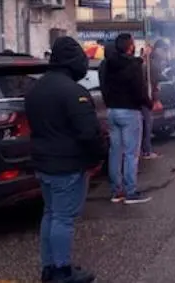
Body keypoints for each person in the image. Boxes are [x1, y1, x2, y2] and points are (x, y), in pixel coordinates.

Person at [25, 36, 104, 283]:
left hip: (44, 162)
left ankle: (50, 267)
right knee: (63, 218)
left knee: (50, 214)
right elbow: (88, 132)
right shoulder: (73, 92)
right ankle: (61, 270)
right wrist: (97, 157)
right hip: (66, 165)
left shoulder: (36, 87)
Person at [99, 33, 154, 204]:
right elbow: (139, 89)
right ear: (130, 46)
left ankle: (117, 191)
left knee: (115, 152)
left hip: (112, 111)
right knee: (131, 153)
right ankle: (131, 192)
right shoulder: (133, 66)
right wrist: (149, 103)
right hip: (130, 112)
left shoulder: (106, 65)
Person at [141, 39, 170, 159]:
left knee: (146, 124)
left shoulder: (152, 61)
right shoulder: (152, 64)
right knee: (147, 124)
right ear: (157, 50)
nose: (166, 53)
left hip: (143, 98)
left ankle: (144, 149)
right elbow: (154, 83)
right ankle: (147, 151)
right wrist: (156, 99)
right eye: (164, 50)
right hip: (146, 99)